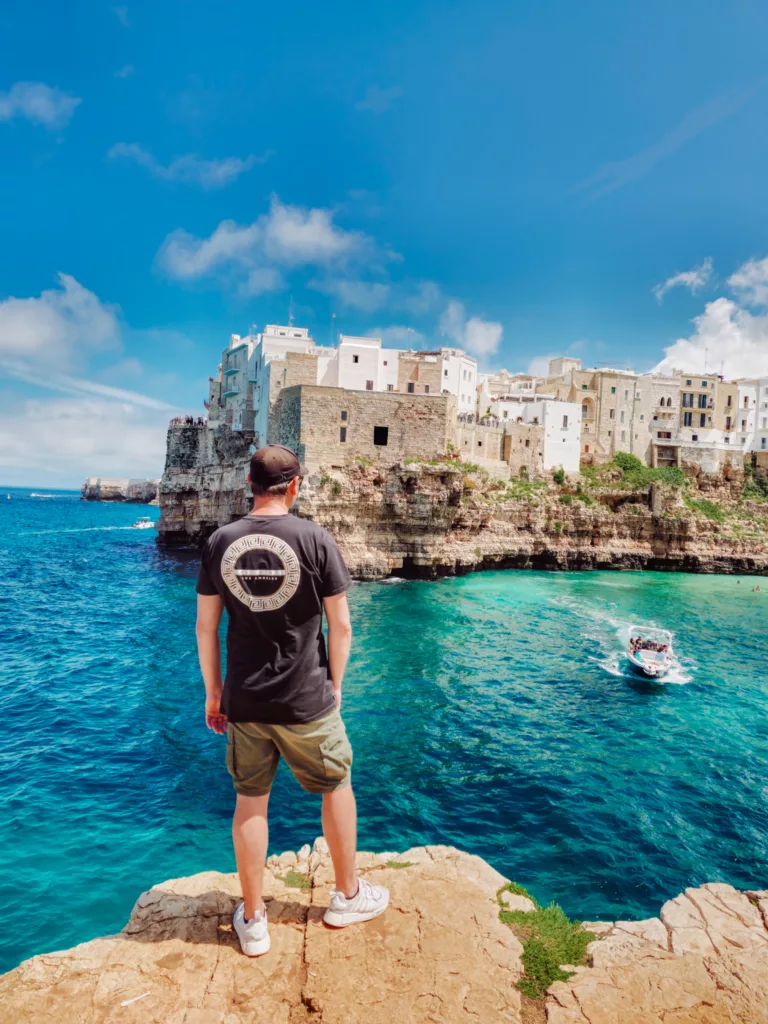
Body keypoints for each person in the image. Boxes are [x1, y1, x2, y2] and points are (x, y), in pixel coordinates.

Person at [195, 444, 389, 957]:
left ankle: (255, 920)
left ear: (249, 486)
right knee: (337, 786)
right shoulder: (315, 539)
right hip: (308, 698)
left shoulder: (221, 541)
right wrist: (336, 685)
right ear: (295, 485)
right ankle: (347, 897)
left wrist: (215, 693)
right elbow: (341, 625)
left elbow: (205, 627)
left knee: (249, 803)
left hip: (246, 701)